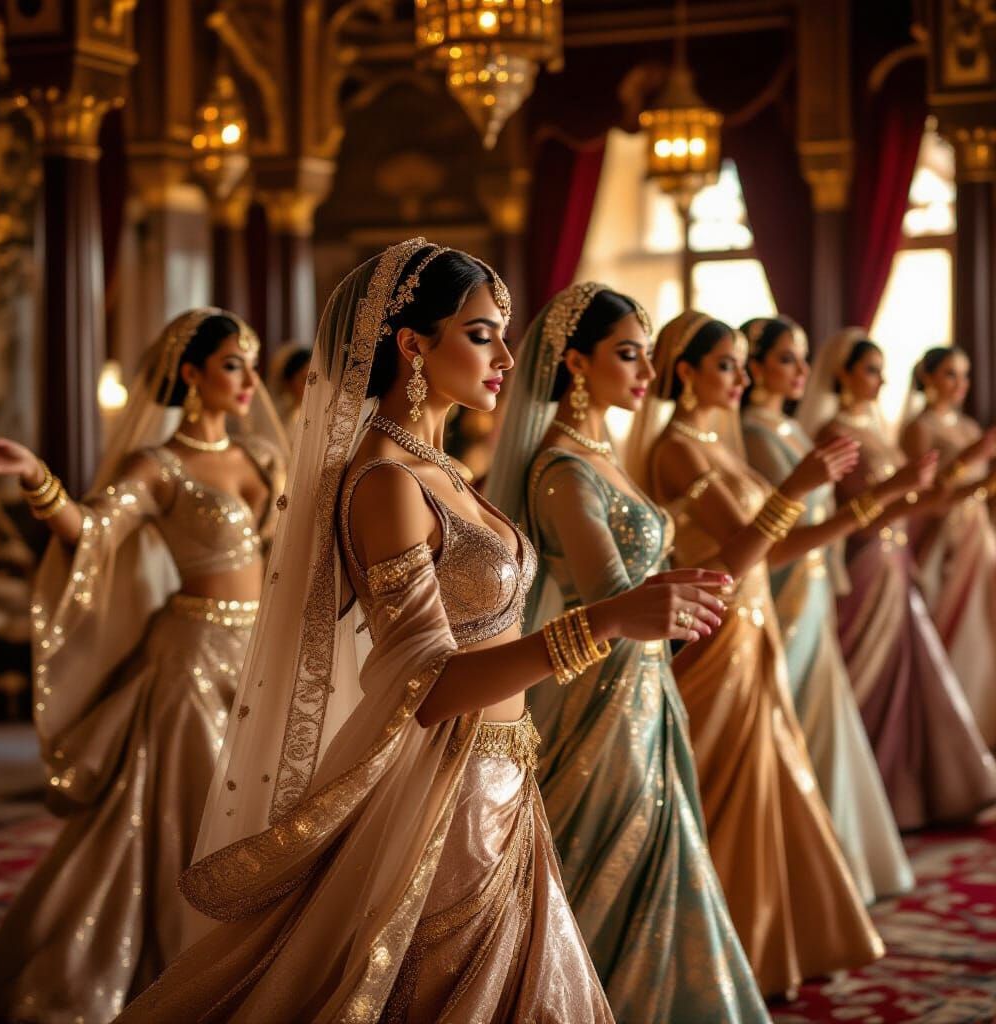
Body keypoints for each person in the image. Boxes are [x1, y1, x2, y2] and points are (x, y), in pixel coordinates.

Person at [114, 240, 728, 1023]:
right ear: (413, 344)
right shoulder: (385, 483)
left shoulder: (441, 470)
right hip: (448, 798)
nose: (506, 356)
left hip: (502, 776)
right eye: (480, 334)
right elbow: (430, 689)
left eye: (502, 334)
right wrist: (602, 621)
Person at [0, 310, 287, 1023]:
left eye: (251, 364)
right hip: (189, 659)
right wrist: (36, 476)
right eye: (232, 364)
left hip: (259, 654)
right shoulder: (159, 465)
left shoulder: (263, 458)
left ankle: (254, 958)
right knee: (192, 812)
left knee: (263, 805)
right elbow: (92, 531)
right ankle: (185, 961)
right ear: (191, 373)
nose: (249, 380)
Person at [487, 282, 769, 1022]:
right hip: (602, 691)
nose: (647, 372)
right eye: (628, 355)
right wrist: (691, 584)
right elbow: (611, 596)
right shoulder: (562, 469)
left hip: (643, 684)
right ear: (577, 363)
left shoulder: (600, 455)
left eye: (647, 355)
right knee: (614, 848)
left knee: (660, 849)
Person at [625, 310, 884, 998]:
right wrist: (797, 489)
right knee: (719, 787)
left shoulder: (718, 442)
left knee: (770, 782)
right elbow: (739, 557)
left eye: (744, 365)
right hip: (715, 633)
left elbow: (772, 549)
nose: (741, 379)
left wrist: (867, 509)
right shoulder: (677, 449)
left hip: (752, 627)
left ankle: (767, 944)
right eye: (726, 366)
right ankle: (705, 954)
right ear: (685, 372)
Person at [740, 316, 918, 904]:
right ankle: (800, 863)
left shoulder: (791, 429)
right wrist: (879, 498)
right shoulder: (753, 435)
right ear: (755, 366)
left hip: (812, 581)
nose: (801, 370)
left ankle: (835, 858)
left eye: (802, 358)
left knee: (821, 708)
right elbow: (776, 531)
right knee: (790, 707)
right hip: (785, 585)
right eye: (786, 358)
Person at [799, 330, 996, 829]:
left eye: (882, 370)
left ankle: (905, 795)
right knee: (866, 670)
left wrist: (973, 485)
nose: (882, 380)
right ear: (841, 373)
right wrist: (917, 486)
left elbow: (914, 501)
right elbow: (855, 515)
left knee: (910, 674)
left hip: (896, 558)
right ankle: (858, 795)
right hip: (865, 561)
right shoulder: (832, 433)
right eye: (870, 369)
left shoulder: (878, 429)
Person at [902, 346, 996, 748]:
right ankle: (953, 729)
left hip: (977, 532)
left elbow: (982, 489)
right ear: (928, 377)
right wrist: (969, 461)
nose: (960, 384)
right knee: (954, 624)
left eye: (965, 375)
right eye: (950, 374)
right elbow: (921, 497)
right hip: (940, 536)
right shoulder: (919, 428)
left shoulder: (970, 427)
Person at [268, 340, 312, 441]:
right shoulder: (277, 417)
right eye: (305, 380)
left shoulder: (318, 415)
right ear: (289, 381)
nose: (311, 387)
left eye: (315, 381)